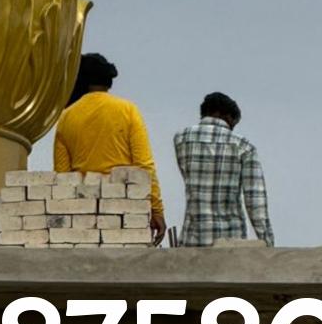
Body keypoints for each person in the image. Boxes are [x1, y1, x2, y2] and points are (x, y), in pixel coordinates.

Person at [54, 52, 166, 244]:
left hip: (83, 213)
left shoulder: (66, 117)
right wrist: (156, 209)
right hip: (125, 210)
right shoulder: (128, 110)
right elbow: (144, 165)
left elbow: (62, 176)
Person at [174, 91, 274, 247]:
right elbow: (255, 199)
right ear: (227, 116)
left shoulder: (181, 139)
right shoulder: (243, 146)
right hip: (230, 241)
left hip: (192, 239)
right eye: (233, 124)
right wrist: (268, 242)